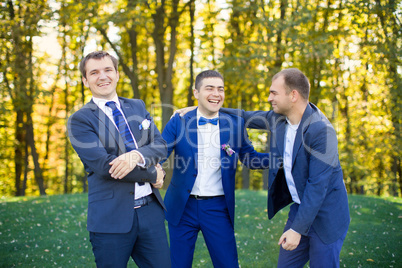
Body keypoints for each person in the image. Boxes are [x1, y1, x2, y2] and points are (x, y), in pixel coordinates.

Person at [177, 68, 350, 267]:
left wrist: (297, 230)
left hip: (326, 216)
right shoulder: (278, 119)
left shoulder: (322, 131)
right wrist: (200, 109)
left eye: (274, 93)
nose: (269, 98)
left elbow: (317, 187)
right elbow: (243, 115)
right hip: (300, 209)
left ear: (293, 95)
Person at [67, 51, 171, 268]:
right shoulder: (80, 120)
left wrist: (137, 155)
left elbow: (160, 145)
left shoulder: (137, 106)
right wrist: (153, 173)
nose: (102, 76)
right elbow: (106, 167)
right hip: (110, 220)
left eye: (107, 70)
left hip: (150, 213)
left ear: (116, 74)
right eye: (94, 72)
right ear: (85, 81)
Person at [161, 70, 270, 267]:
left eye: (220, 89)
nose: (216, 93)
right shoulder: (179, 121)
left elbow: (250, 158)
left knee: (228, 264)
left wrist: (281, 158)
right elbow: (160, 151)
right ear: (196, 93)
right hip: (182, 207)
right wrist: (153, 170)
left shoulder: (235, 124)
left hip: (218, 207)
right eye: (209, 88)